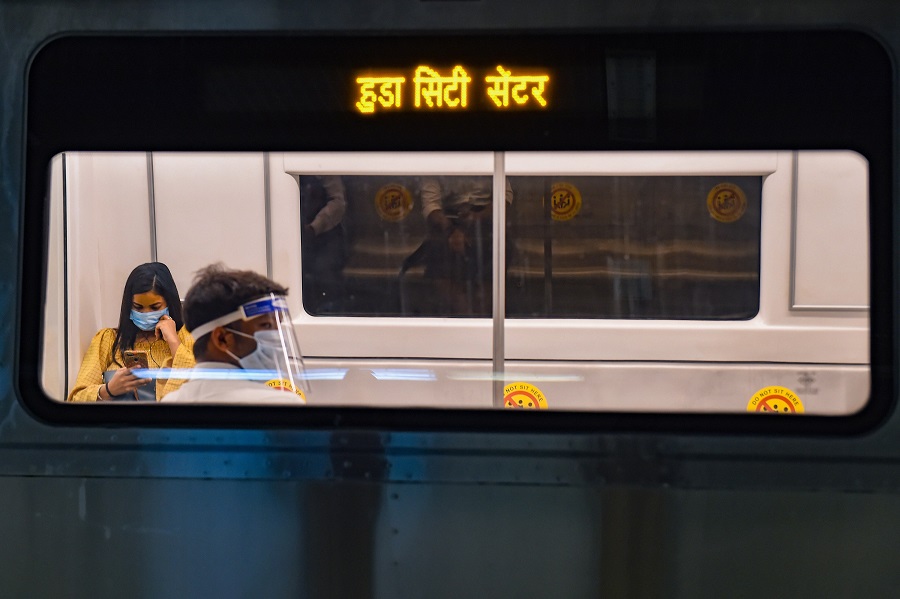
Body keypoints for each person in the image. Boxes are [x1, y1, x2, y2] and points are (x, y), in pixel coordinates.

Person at [161, 264, 308, 404]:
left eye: (279, 325)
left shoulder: (169, 405)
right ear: (222, 338)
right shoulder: (283, 406)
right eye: (266, 325)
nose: (278, 336)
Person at [67, 262, 195, 402]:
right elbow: (76, 399)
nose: (146, 314)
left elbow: (202, 386)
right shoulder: (108, 340)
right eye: (138, 307)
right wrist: (109, 390)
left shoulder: (187, 337)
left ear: (169, 304)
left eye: (155, 307)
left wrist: (173, 341)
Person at [418, 176, 513, 315]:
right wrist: (451, 230)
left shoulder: (489, 156)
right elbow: (431, 205)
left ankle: (484, 318)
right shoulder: (435, 159)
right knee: (438, 257)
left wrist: (477, 217)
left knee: (495, 253)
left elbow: (505, 195)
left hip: (485, 216)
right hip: (447, 218)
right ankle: (464, 316)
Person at [300, 175, 347, 314]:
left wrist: (315, 227)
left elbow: (338, 202)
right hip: (302, 236)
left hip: (327, 236)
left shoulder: (325, 168)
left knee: (325, 277)